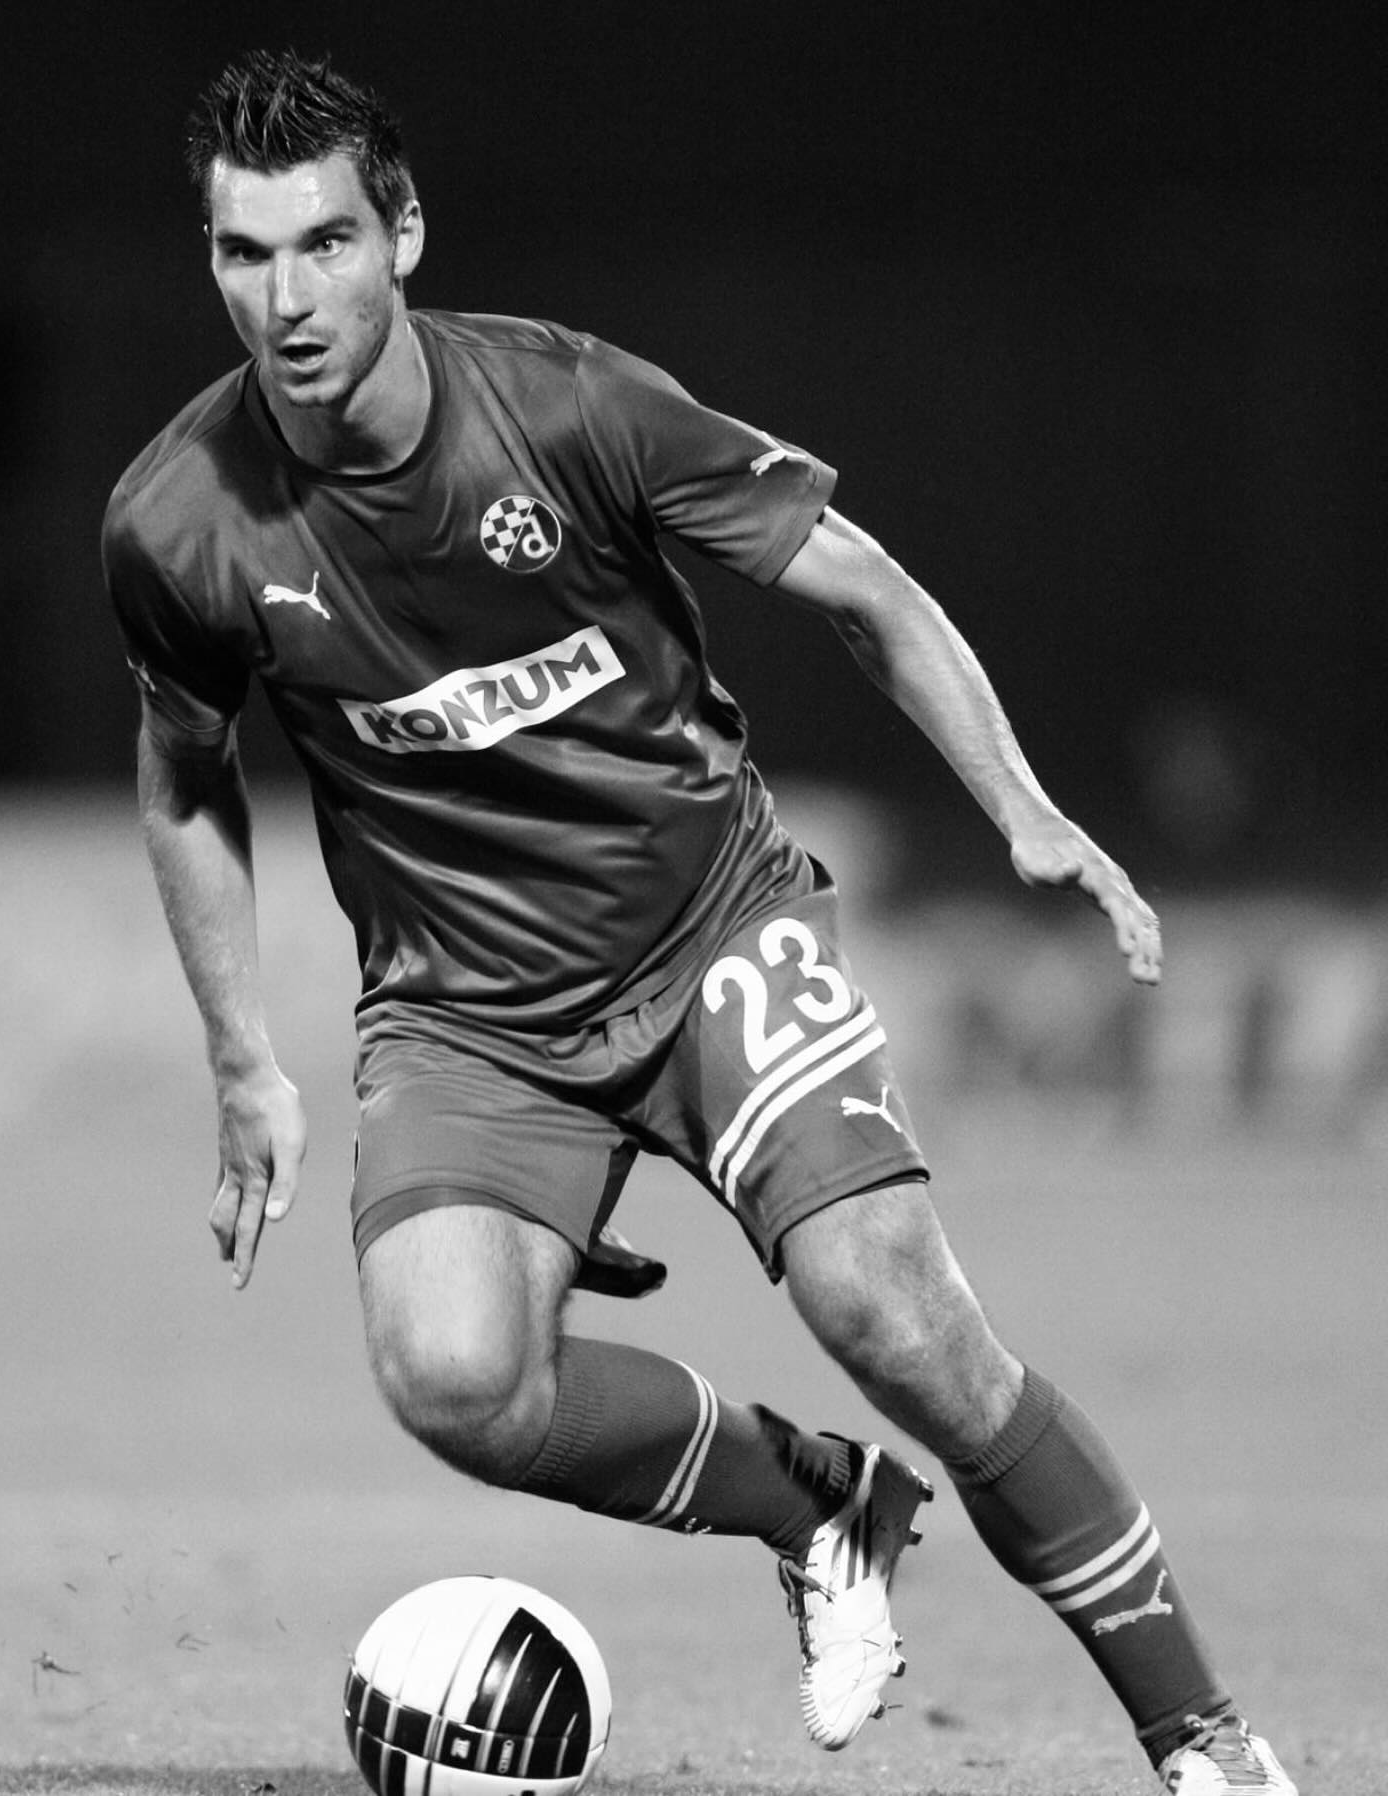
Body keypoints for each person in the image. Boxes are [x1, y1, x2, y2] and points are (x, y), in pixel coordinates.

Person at [101, 49, 1295, 1795]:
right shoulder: (177, 524)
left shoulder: (574, 409)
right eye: (244, 253)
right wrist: (241, 1059)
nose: (286, 300)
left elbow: (865, 589)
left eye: (326, 243)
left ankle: (1204, 1741)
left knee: (899, 1323)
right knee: (454, 1377)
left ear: (404, 235)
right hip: (467, 1014)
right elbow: (187, 777)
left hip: (709, 933)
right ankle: (819, 1511)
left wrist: (1022, 809)